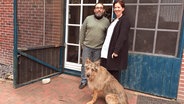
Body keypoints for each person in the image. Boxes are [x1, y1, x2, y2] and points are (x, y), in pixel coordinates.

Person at [79, 3, 110, 89]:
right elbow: (82, 31)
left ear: (103, 10)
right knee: (85, 65)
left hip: (99, 48)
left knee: (96, 67)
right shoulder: (88, 19)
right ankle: (83, 80)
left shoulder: (106, 21)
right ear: (94, 10)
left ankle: (94, 81)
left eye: (101, 8)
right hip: (87, 47)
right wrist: (82, 44)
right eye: (97, 8)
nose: (99, 9)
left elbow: (108, 35)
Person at [101, 0, 130, 81]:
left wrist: (116, 51)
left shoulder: (125, 20)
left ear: (123, 8)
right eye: (115, 7)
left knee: (113, 77)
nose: (116, 9)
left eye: (118, 7)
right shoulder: (115, 20)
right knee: (106, 75)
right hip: (106, 51)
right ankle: (107, 92)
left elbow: (122, 37)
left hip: (114, 53)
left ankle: (114, 93)